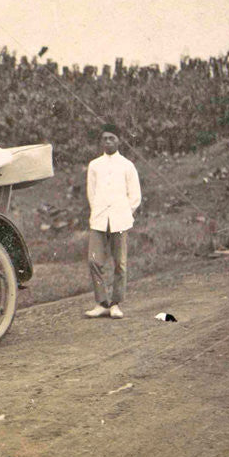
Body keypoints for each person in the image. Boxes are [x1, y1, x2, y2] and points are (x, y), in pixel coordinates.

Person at [84, 123, 141, 319]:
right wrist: (98, 211)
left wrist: (124, 213)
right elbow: (91, 193)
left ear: (119, 141)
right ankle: (101, 303)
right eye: (104, 139)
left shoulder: (127, 165)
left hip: (120, 220)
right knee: (94, 261)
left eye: (112, 138)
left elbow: (135, 196)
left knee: (120, 264)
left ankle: (116, 303)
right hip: (99, 220)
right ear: (101, 141)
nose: (108, 142)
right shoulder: (94, 165)